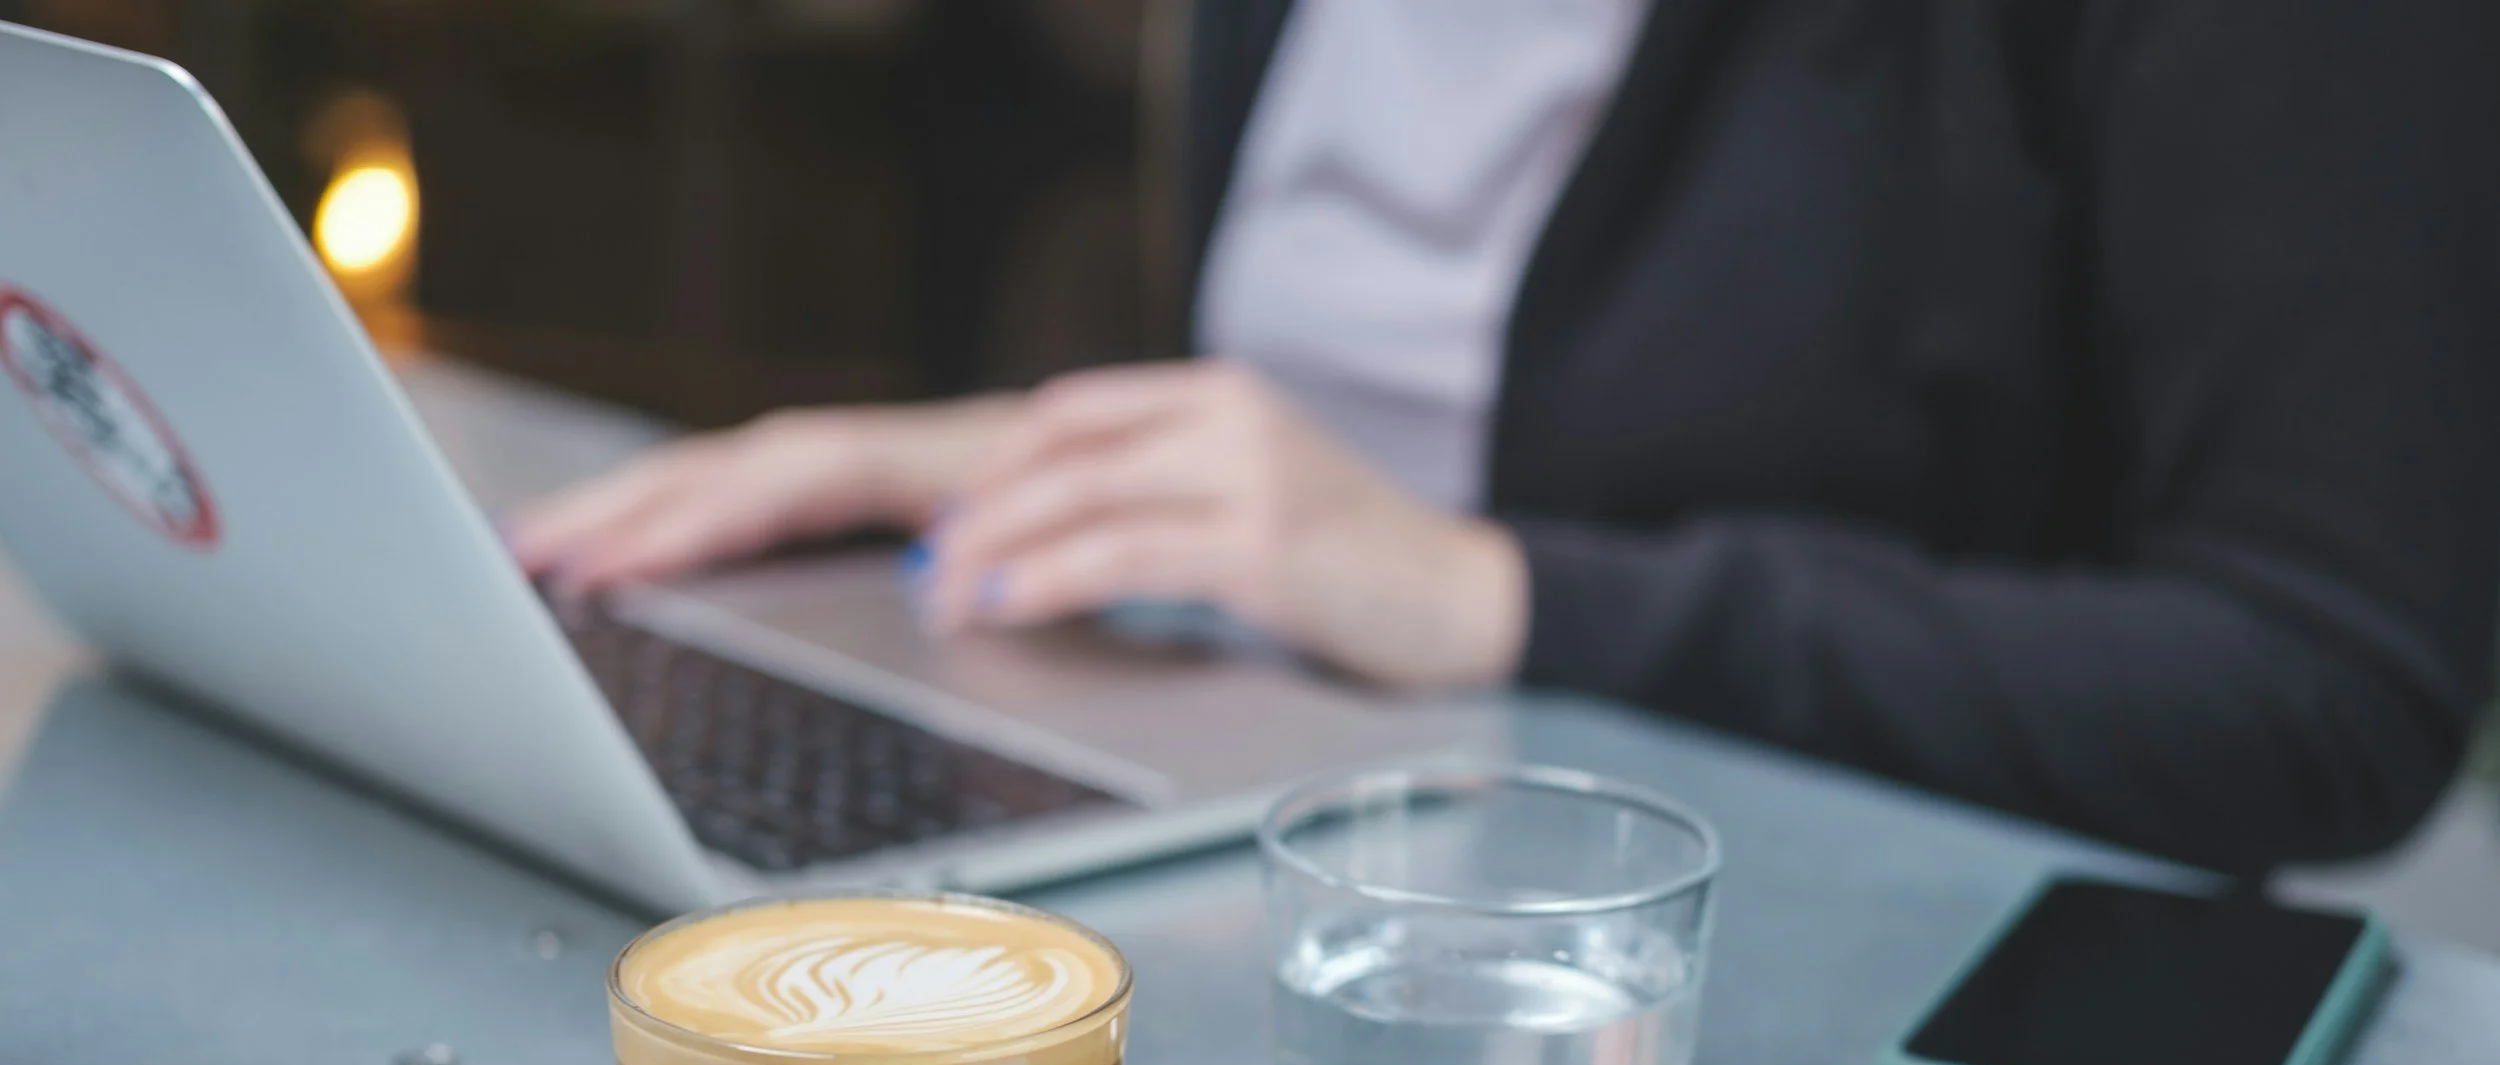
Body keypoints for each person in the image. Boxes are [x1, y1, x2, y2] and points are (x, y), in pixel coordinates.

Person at [512, 0, 2500, 877]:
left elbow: (2329, 676)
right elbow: (1374, 381)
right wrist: (1064, 463)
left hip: (1740, 972)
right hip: (1272, 810)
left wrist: (1492, 593)